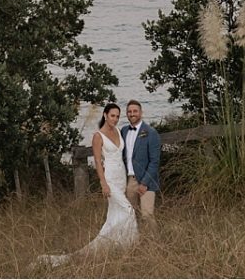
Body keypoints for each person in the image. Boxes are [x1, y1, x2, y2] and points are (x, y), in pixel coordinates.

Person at [37, 103, 137, 267]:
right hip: (110, 177)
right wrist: (103, 183)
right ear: (105, 115)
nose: (115, 119)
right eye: (112, 115)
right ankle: (126, 244)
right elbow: (97, 160)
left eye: (118, 116)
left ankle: (117, 247)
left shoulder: (118, 131)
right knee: (129, 210)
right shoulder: (98, 136)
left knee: (116, 215)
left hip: (121, 175)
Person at [121, 99, 161, 226]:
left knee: (147, 215)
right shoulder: (124, 131)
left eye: (135, 111)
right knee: (131, 215)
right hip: (130, 180)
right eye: (129, 111)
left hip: (147, 180)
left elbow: (154, 161)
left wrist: (144, 183)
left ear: (141, 112)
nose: (132, 114)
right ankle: (137, 242)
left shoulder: (151, 132)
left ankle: (154, 244)